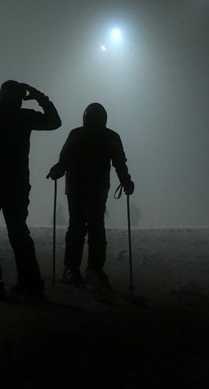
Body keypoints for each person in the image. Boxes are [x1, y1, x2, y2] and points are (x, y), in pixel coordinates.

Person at [0, 80, 61, 298]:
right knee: (18, 232)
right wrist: (39, 96)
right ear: (19, 98)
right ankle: (31, 283)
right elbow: (55, 121)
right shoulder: (24, 117)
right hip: (17, 183)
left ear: (1, 95)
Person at [46, 103, 134, 290]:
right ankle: (92, 269)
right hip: (96, 189)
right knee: (95, 228)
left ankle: (72, 268)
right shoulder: (110, 137)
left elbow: (65, 160)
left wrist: (58, 170)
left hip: (78, 188)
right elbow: (120, 163)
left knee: (78, 227)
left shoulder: (77, 134)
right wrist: (126, 181)